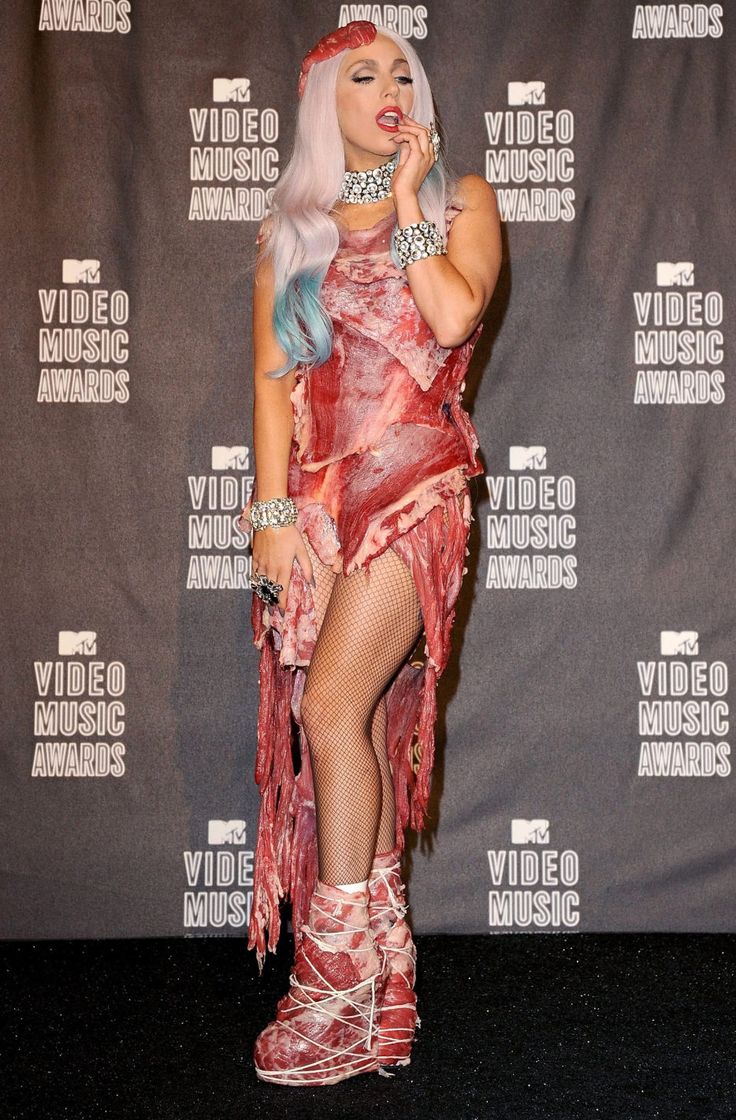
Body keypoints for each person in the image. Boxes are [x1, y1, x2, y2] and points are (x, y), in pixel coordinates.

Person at [238, 19, 501, 1086]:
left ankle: (332, 988)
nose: (390, 86)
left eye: (403, 71)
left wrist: (403, 204)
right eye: (363, 74)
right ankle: (388, 982)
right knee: (363, 731)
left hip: (418, 490)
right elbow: (270, 384)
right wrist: (271, 518)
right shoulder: (288, 234)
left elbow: (446, 317)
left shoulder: (461, 202)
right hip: (323, 506)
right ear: (321, 102)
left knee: (331, 710)